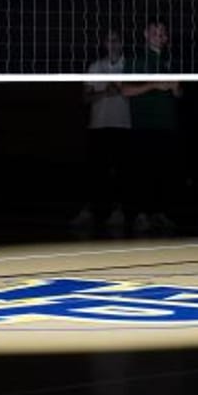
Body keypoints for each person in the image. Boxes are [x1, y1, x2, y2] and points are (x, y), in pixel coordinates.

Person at [120, 18, 181, 234]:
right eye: (155, 31)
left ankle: (160, 213)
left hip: (167, 125)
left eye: (163, 31)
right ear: (146, 34)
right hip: (144, 126)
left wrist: (175, 89)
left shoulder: (171, 60)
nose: (160, 35)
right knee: (142, 173)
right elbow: (125, 91)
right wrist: (153, 84)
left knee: (164, 174)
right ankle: (141, 215)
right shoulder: (135, 60)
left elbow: (179, 94)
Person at [71, 29, 131, 232]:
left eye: (116, 40)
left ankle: (118, 212)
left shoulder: (129, 66)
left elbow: (138, 95)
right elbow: (85, 99)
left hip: (123, 125)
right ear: (104, 44)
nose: (112, 44)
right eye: (108, 40)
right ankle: (89, 211)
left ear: (122, 43)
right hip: (98, 126)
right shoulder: (95, 67)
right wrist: (105, 92)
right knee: (96, 173)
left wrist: (123, 92)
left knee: (121, 172)